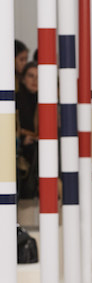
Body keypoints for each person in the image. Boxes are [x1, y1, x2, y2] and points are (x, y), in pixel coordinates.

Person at [16, 61, 38, 200]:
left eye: (38, 77)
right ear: (23, 78)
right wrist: (23, 137)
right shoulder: (16, 100)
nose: (35, 80)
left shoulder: (45, 100)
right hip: (21, 148)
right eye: (31, 76)